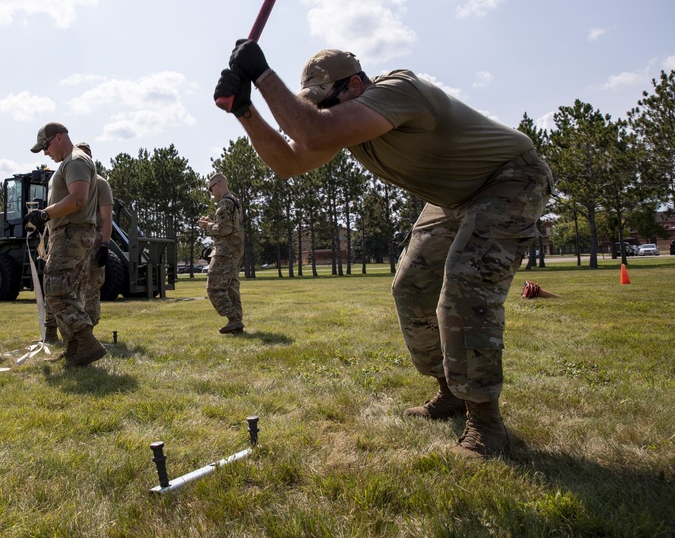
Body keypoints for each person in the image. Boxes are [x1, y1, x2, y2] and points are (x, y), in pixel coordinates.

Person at [213, 41, 553, 458]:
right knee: (411, 286)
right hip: (454, 197)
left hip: (510, 177)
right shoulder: (341, 120)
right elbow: (287, 162)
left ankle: (486, 424)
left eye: (325, 102)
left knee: (466, 286)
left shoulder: (399, 89)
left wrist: (262, 75)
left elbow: (313, 128)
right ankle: (450, 390)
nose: (319, 112)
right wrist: (246, 109)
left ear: (355, 85)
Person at [26, 122, 107, 367]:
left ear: (58, 138)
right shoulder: (71, 162)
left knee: (57, 289)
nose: (45, 152)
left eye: (46, 146)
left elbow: (78, 199)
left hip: (71, 235)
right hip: (72, 233)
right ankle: (75, 349)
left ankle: (87, 340)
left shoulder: (75, 161)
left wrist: (44, 214)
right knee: (70, 290)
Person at [198, 173, 245, 334]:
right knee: (231, 286)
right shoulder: (235, 201)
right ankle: (236, 320)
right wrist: (212, 223)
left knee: (214, 287)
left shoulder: (224, 203)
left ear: (218, 184)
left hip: (225, 251)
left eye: (211, 189)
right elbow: (231, 227)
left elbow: (225, 229)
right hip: (236, 250)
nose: (211, 193)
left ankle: (233, 318)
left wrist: (208, 227)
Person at [75, 142, 114, 331]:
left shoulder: (99, 183)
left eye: (86, 155)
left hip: (94, 242)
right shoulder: (70, 181)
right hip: (72, 242)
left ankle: (88, 331)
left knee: (91, 287)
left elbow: (107, 218)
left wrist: (105, 246)